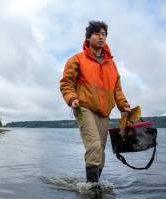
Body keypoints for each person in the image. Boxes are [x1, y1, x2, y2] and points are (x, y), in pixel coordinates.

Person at [60, 21, 131, 184]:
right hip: (82, 107)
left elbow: (117, 89)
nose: (101, 37)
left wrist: (123, 106)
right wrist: (71, 98)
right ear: (88, 37)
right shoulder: (76, 59)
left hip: (104, 112)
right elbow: (66, 83)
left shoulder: (111, 64)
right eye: (97, 34)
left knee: (101, 151)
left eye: (104, 34)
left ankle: (94, 184)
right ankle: (91, 189)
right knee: (94, 146)